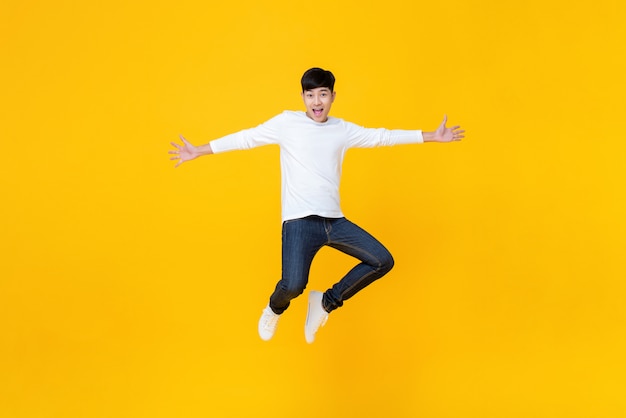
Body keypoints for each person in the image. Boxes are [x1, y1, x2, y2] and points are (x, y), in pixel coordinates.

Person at [169, 67, 464, 343]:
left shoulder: (342, 129)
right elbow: (247, 138)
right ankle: (274, 309)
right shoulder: (287, 123)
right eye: (310, 95)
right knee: (293, 285)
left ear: (333, 96)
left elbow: (381, 137)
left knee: (382, 260)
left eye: (323, 94)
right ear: (302, 98)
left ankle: (325, 301)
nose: (316, 101)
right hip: (299, 223)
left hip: (334, 222)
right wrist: (200, 150)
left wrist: (431, 137)